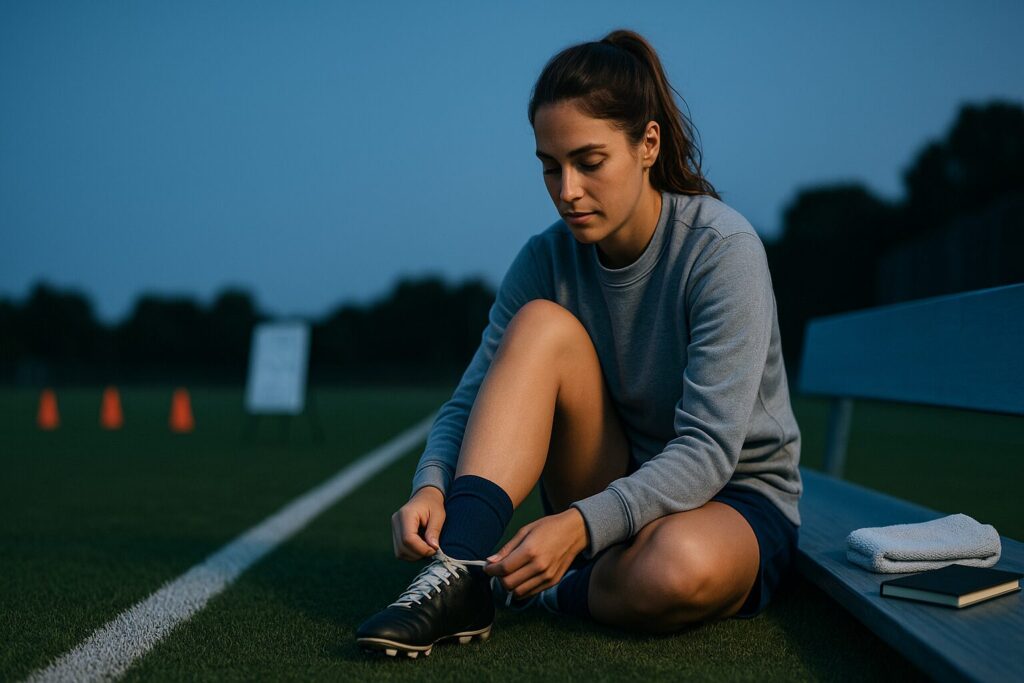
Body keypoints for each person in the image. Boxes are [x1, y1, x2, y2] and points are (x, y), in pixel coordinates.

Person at [355, 28, 802, 659]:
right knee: (540, 324)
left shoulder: (721, 250)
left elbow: (707, 451)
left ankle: (547, 589)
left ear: (647, 145)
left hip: (732, 495)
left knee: (675, 569)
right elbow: (470, 399)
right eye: (549, 166)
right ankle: (460, 574)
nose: (567, 190)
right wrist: (430, 485)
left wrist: (580, 527)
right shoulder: (545, 259)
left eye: (589, 163)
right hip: (606, 475)